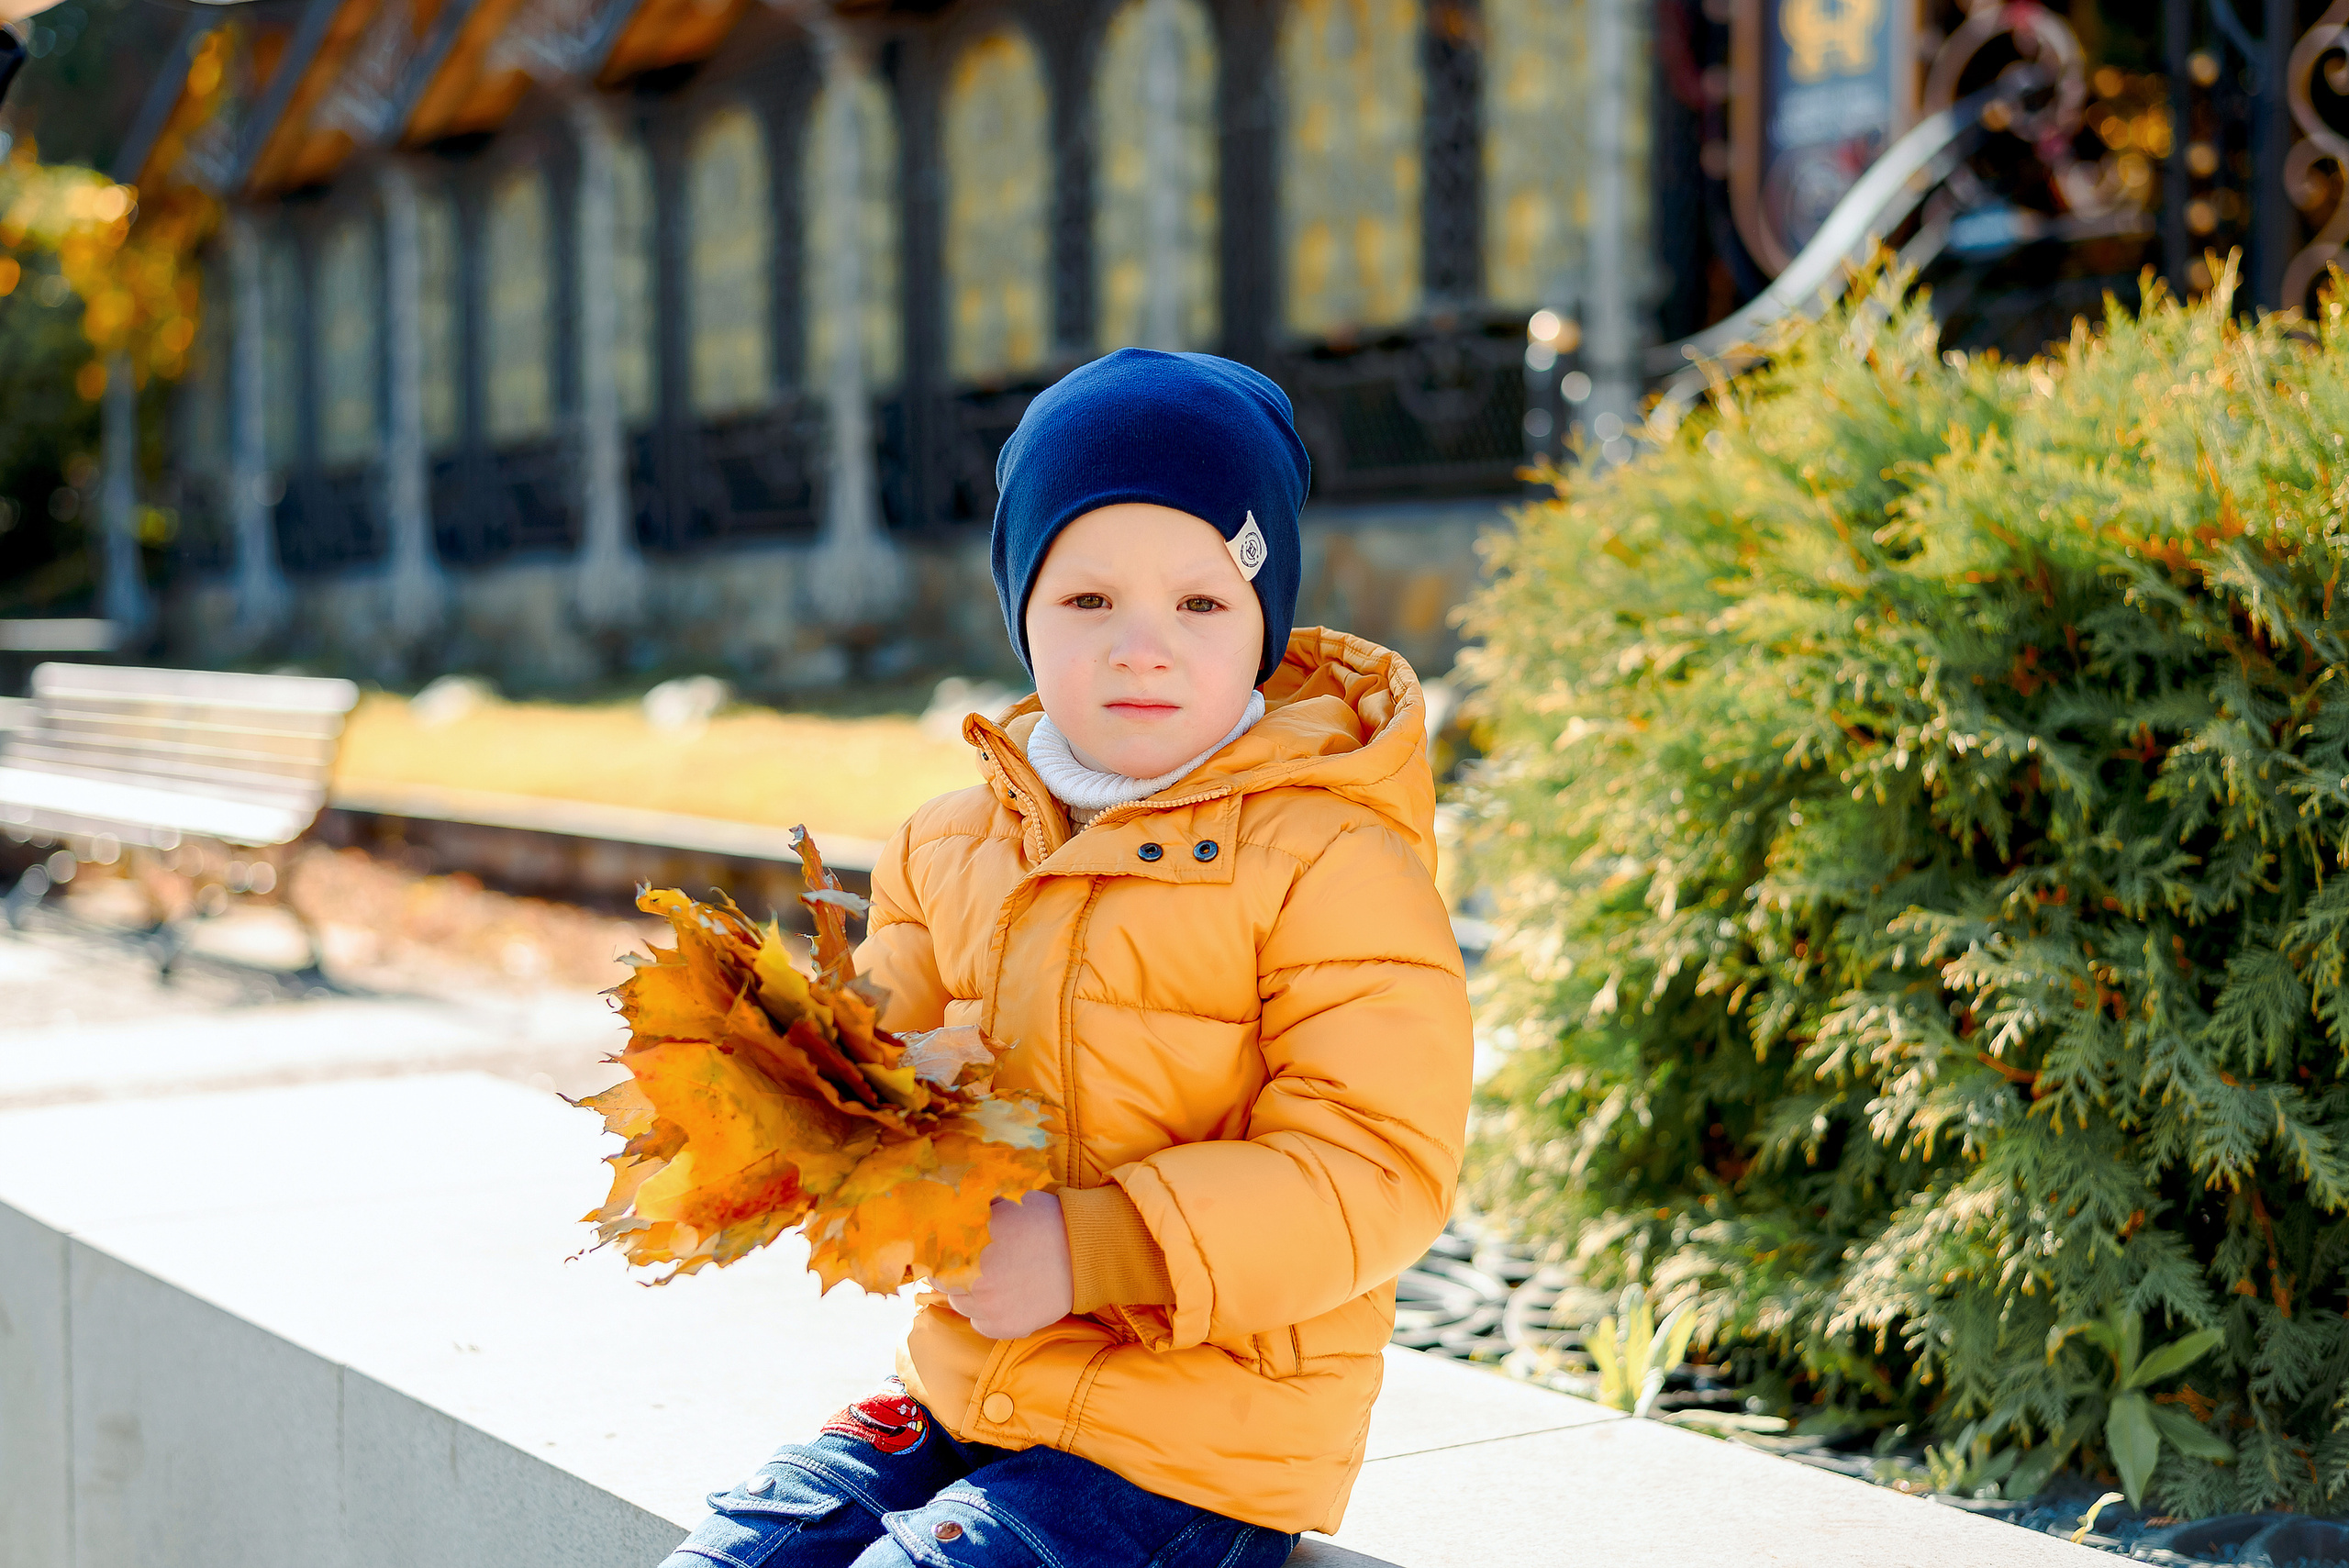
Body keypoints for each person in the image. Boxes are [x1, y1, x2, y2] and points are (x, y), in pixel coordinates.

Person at [659, 349, 1473, 1568]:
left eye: (1199, 604)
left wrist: (1095, 1247)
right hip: (971, 1384)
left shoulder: (1332, 857)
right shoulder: (949, 843)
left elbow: (1376, 1164)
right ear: (1021, 614)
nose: (1143, 647)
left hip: (1195, 1439)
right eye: (1088, 602)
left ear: (1262, 618)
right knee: (741, 1548)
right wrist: (808, 1088)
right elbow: (890, 1064)